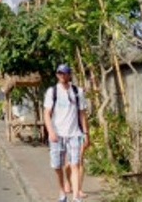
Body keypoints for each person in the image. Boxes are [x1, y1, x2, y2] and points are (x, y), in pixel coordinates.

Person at [44, 64, 89, 202]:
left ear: (70, 75)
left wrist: (86, 133)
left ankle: (75, 197)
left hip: (74, 134)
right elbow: (47, 113)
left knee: (75, 164)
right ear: (57, 75)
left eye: (65, 73)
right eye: (60, 73)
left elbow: (82, 114)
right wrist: (51, 131)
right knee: (57, 166)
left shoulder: (78, 92)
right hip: (57, 135)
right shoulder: (52, 92)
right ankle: (62, 192)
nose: (63, 76)